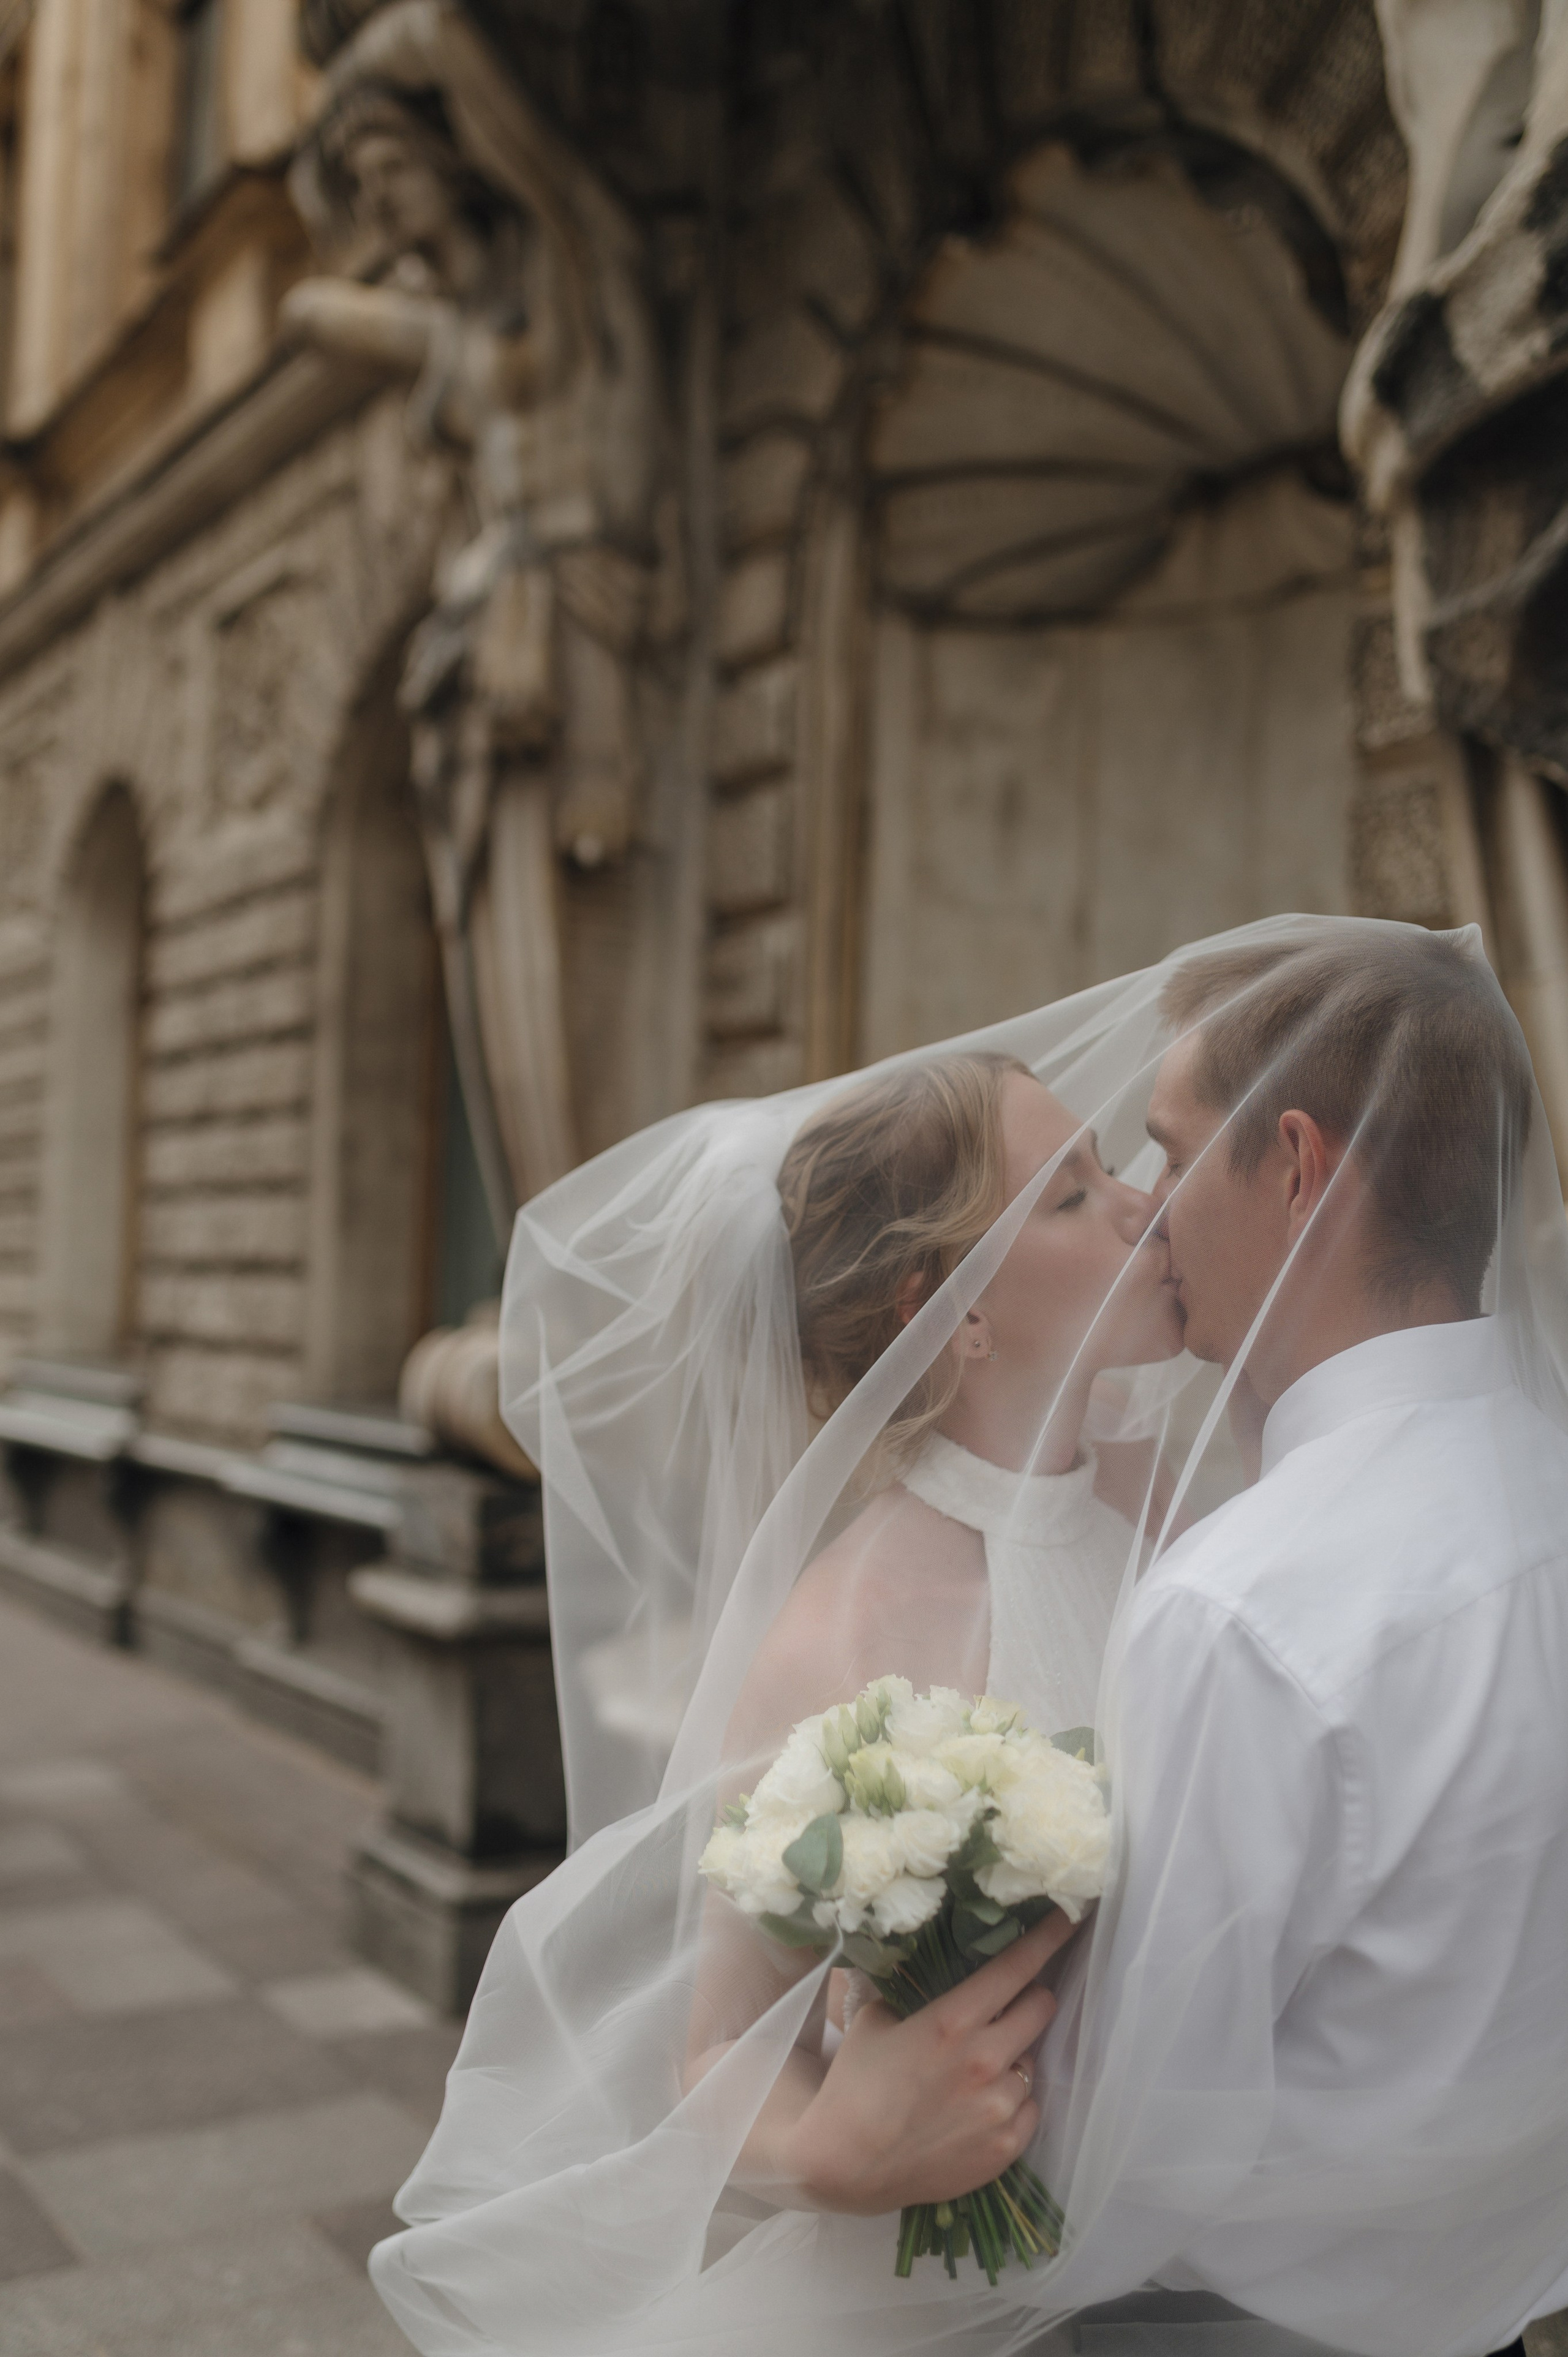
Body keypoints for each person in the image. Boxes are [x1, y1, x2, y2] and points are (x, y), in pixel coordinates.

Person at [368, 916, 1568, 2357]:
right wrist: (829, 2153)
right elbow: (717, 2051)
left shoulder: (1191, 1514)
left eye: (1152, 1162)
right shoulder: (846, 1630)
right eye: (1072, 1192)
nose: (1139, 1204)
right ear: (954, 1316)